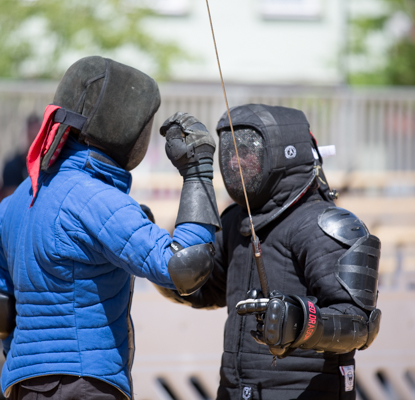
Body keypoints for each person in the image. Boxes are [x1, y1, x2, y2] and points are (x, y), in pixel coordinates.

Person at [0, 56, 221, 400]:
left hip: (24, 385)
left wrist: (30, 372)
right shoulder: (96, 199)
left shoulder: (19, 198)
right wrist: (197, 173)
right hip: (84, 385)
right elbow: (183, 266)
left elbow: (0, 309)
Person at [156, 104, 382, 400]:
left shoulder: (325, 224)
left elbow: (360, 323)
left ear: (284, 153)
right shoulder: (236, 220)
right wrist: (157, 260)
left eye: (249, 151)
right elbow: (204, 289)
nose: (237, 161)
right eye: (232, 152)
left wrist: (302, 322)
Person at [0, 114, 41, 198]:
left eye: (39, 137)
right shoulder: (12, 167)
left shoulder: (48, 167)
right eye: (32, 137)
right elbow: (11, 199)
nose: (36, 142)